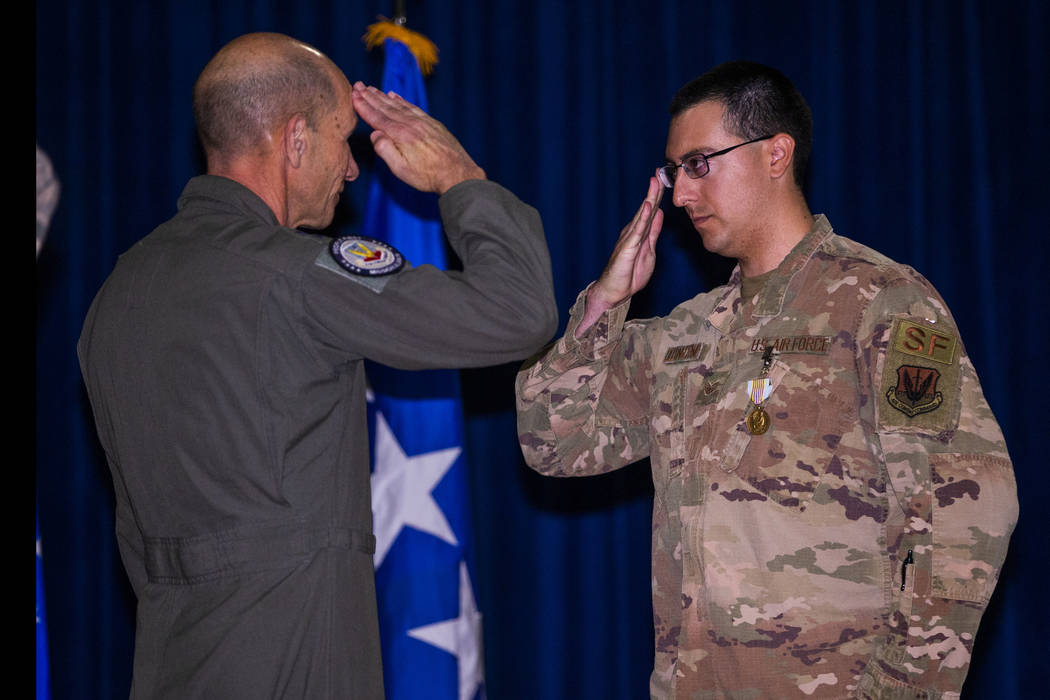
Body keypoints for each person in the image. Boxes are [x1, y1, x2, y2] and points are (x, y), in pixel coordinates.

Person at [515, 61, 1016, 699]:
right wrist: (606, 304)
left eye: (699, 164)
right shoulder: (686, 335)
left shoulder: (881, 303)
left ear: (775, 153)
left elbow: (967, 515)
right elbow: (550, 443)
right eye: (673, 172)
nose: (679, 194)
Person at [78, 32, 556, 699]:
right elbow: (517, 312)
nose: (354, 168)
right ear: (294, 140)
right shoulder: (296, 275)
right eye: (343, 139)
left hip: (168, 664)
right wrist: (460, 179)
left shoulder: (117, 293)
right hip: (296, 662)